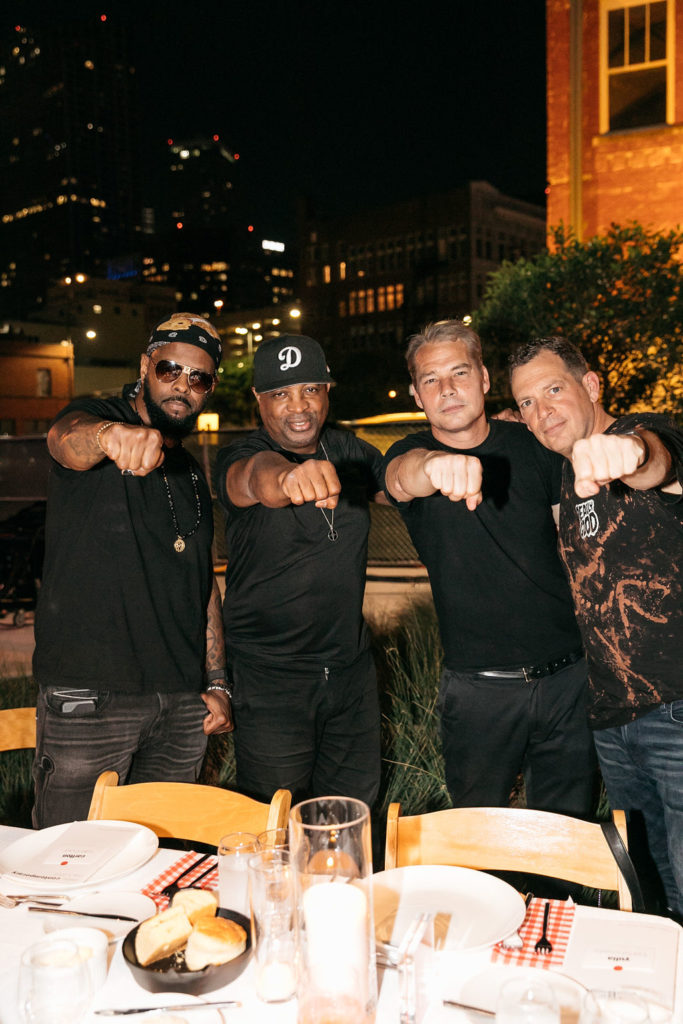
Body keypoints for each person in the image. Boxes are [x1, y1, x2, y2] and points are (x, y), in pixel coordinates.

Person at [383, 319, 596, 815]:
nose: (447, 389)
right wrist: (434, 468)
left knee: (565, 837)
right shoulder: (408, 454)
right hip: (477, 692)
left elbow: (575, 540)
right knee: (476, 840)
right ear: (416, 395)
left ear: (483, 378)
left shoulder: (532, 446)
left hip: (569, 679)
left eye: (459, 372)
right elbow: (400, 478)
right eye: (431, 380)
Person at [33, 312, 232, 828]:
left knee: (160, 856)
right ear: (146, 365)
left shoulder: (188, 470)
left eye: (199, 378)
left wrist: (216, 681)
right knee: (67, 862)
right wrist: (108, 436)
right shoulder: (97, 417)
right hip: (91, 696)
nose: (182, 386)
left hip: (180, 705)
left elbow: (201, 580)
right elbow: (65, 441)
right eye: (170, 369)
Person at [509, 336, 683, 920]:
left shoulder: (646, 431)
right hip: (612, 721)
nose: (542, 411)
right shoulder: (562, 476)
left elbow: (663, 458)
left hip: (677, 712)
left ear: (591, 385)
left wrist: (630, 455)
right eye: (527, 403)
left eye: (553, 390)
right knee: (645, 889)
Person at [214, 334, 384, 805]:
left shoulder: (348, 451)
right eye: (280, 394)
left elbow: (399, 482)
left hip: (349, 672)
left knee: (353, 817)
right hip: (271, 677)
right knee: (273, 821)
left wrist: (442, 459)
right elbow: (254, 478)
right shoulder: (240, 455)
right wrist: (286, 477)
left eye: (310, 389)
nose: (298, 407)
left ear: (328, 390)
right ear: (258, 399)